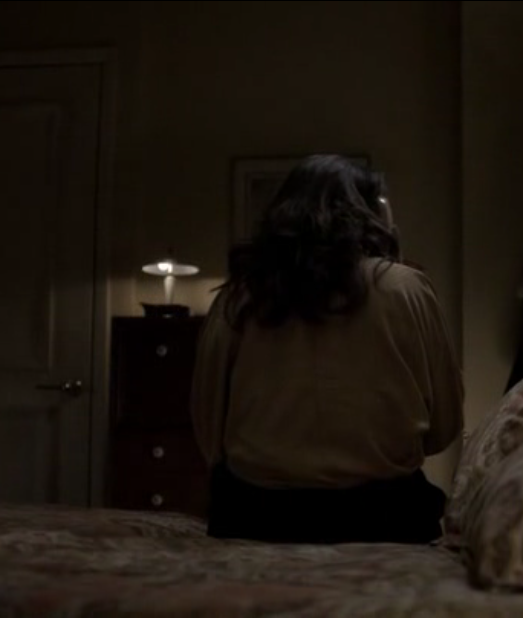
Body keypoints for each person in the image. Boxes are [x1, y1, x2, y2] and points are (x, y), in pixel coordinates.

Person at [191, 154, 463, 545]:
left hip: (255, 516)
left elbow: (207, 425)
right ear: (374, 214)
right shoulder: (405, 287)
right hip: (382, 517)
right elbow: (444, 427)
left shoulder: (240, 295)